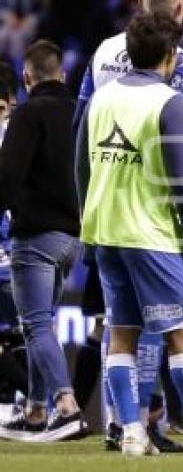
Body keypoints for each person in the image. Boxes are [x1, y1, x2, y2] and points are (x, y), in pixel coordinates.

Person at [75, 12, 183, 457]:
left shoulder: (101, 97)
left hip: (106, 230)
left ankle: (131, 432)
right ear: (172, 56)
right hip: (152, 233)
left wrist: (87, 224)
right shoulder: (168, 102)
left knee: (122, 333)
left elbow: (81, 166)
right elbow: (180, 179)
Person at [73, 0, 183, 453]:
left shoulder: (102, 53)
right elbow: (177, 140)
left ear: (141, 2)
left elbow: (81, 129)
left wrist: (84, 209)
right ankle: (152, 423)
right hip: (152, 216)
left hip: (103, 210)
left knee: (117, 324)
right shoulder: (175, 60)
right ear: (180, 8)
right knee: (163, 324)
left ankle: (121, 424)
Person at [0, 41, 86, 442]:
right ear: (63, 75)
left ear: (26, 77)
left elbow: (8, 176)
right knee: (41, 323)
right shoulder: (81, 112)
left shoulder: (28, 113)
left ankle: (65, 407)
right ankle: (35, 412)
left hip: (35, 235)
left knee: (34, 323)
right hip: (74, 236)